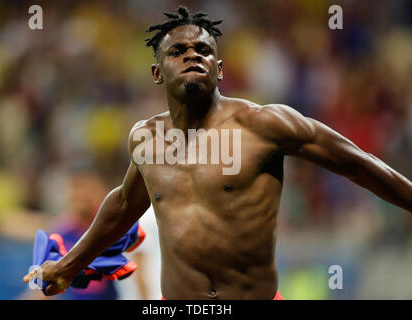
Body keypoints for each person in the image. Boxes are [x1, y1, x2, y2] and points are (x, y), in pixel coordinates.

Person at [24, 6, 412, 300]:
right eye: (177, 51)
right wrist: (68, 265)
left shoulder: (266, 125)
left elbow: (359, 165)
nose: (192, 55)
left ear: (220, 68)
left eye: (203, 50)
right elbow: (124, 204)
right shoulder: (146, 138)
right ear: (158, 73)